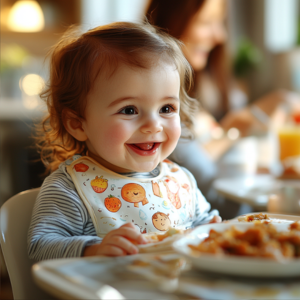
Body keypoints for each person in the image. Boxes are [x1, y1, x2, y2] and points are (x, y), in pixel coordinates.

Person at [27, 22, 221, 261]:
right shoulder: (71, 188)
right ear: (77, 123)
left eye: (166, 108)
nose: (154, 125)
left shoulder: (180, 181)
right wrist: (93, 249)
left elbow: (204, 224)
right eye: (129, 110)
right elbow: (40, 246)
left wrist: (212, 230)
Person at [146, 0, 289, 202]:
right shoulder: (155, 106)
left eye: (220, 22)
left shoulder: (202, 90)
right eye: (206, 22)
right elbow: (199, 175)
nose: (220, 36)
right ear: (171, 19)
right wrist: (232, 131)